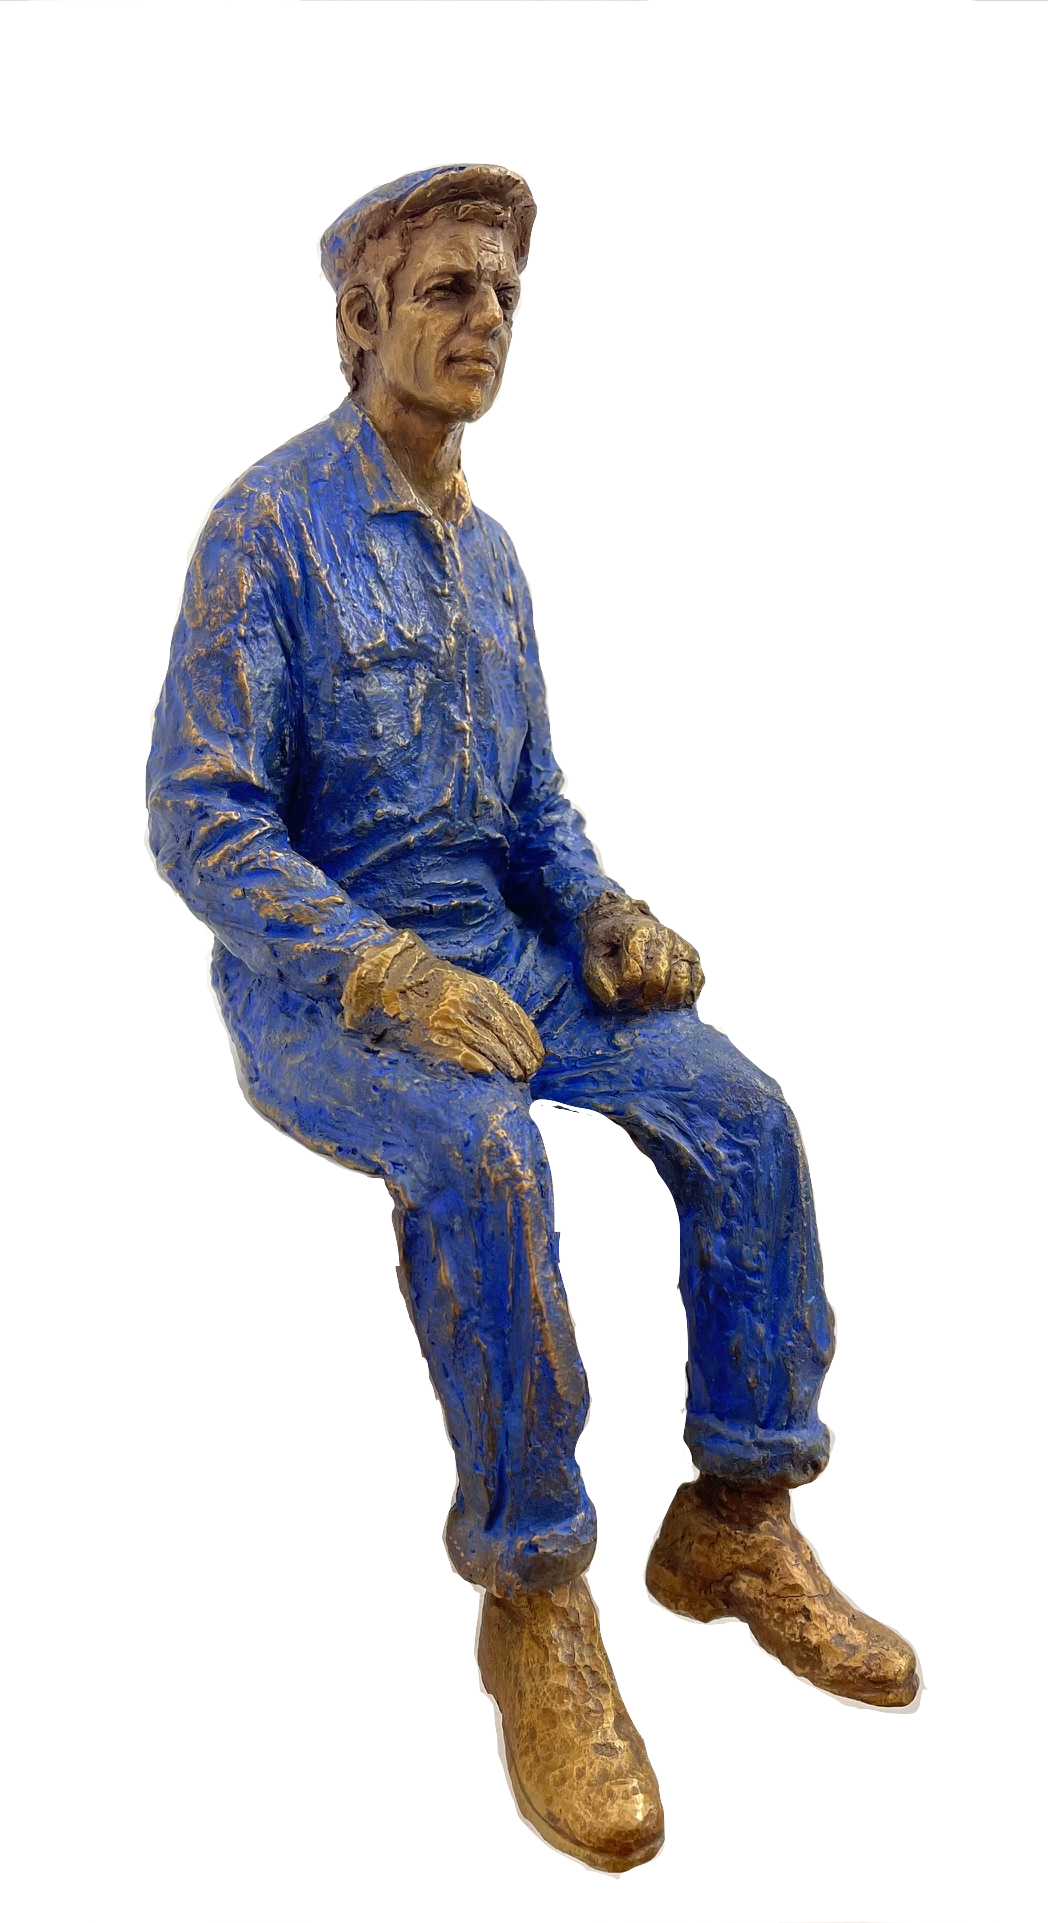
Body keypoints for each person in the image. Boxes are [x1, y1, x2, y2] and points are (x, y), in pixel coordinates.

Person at [145, 163, 922, 1878]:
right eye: (447, 290)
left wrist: (606, 913)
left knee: (742, 1112)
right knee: (482, 1157)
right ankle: (538, 1591)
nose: (484, 318)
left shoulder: (491, 558)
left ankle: (737, 1517)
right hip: (321, 981)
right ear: (362, 319)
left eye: (502, 292)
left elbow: (532, 806)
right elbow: (200, 818)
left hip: (507, 955)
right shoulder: (264, 528)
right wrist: (385, 971)